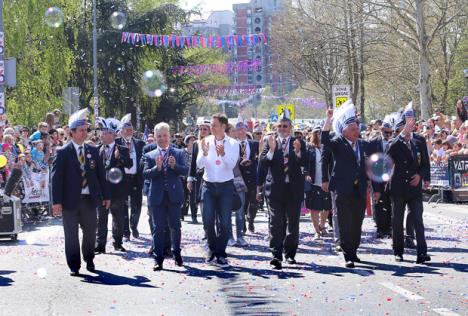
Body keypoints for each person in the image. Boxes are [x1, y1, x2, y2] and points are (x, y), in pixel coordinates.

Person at [51, 109, 109, 276]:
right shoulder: (63, 152)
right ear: (72, 132)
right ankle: (74, 264)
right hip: (69, 201)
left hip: (89, 199)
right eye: (82, 130)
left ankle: (89, 258)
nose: (85, 133)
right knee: (71, 234)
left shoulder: (93, 151)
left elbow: (101, 176)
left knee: (90, 231)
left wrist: (105, 196)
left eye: (86, 130)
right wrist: (56, 202)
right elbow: (56, 179)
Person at [321, 102, 376, 268]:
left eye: (357, 128)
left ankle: (354, 250)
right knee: (344, 222)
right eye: (352, 129)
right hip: (342, 189)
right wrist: (328, 120)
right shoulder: (338, 142)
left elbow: (370, 167)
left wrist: (373, 188)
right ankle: (348, 254)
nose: (356, 131)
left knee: (357, 222)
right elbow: (324, 139)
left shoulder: (364, 144)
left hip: (359, 190)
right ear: (344, 130)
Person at [259, 113, 306, 270]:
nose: (282, 129)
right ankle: (276, 255)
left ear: (290, 128)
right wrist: (271, 150)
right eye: (279, 126)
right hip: (275, 190)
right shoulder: (270, 142)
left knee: (292, 224)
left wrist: (298, 152)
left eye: (285, 126)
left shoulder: (298, 142)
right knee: (276, 223)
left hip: (293, 189)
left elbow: (306, 162)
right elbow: (263, 162)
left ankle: (290, 254)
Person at [386, 110, 431, 264]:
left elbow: (425, 163)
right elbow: (388, 153)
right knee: (397, 220)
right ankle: (398, 251)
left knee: (417, 219)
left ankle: (422, 252)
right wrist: (401, 135)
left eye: (410, 124)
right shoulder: (395, 142)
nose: (408, 128)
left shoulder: (419, 140)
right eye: (404, 126)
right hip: (398, 187)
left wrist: (421, 176)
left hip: (414, 188)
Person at [196, 114, 239, 267]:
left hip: (226, 186)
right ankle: (212, 249)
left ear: (223, 126)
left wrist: (223, 154)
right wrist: (205, 153)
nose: (211, 128)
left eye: (214, 125)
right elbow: (199, 165)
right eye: (211, 125)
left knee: (225, 223)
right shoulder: (205, 141)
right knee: (207, 221)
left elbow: (231, 166)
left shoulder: (233, 143)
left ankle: (221, 253)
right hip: (208, 185)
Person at [143, 122, 187, 271]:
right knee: (158, 228)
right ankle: (158, 258)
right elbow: (145, 174)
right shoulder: (149, 155)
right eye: (159, 136)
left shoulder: (179, 153)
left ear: (170, 136)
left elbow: (186, 171)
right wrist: (157, 168)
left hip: (174, 195)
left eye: (165, 135)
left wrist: (175, 166)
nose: (162, 138)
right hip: (157, 196)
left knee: (175, 226)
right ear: (155, 137)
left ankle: (177, 254)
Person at [95, 117, 133, 254]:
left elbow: (130, 164)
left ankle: (117, 242)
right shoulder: (97, 149)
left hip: (117, 190)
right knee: (101, 217)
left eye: (105, 133)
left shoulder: (122, 148)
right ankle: (100, 244)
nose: (102, 135)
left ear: (112, 135)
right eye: (102, 133)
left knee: (118, 217)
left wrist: (120, 158)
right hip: (102, 191)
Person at [117, 114, 146, 240]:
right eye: (127, 129)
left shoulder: (140, 144)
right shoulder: (117, 143)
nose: (129, 132)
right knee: (123, 205)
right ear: (121, 131)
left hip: (136, 178)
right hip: (122, 179)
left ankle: (133, 225)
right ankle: (125, 231)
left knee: (137, 205)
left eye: (131, 129)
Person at [368, 119, 394, 238]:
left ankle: (388, 228)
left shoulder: (394, 142)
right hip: (377, 177)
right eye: (386, 133)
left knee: (389, 203)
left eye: (390, 133)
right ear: (381, 130)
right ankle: (380, 228)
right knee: (378, 202)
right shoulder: (373, 143)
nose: (388, 135)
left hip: (391, 178)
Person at [305, 126, 331, 240]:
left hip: (327, 181)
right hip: (314, 181)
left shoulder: (328, 147)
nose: (320, 135)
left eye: (321, 133)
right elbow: (305, 163)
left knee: (326, 206)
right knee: (314, 207)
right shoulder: (309, 148)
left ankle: (322, 225)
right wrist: (306, 174)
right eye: (317, 133)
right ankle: (317, 231)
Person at [187, 120, 211, 224]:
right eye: (200, 129)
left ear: (210, 130)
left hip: (211, 175)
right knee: (198, 199)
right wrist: (190, 178)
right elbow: (193, 162)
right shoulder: (196, 143)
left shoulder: (214, 142)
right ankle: (199, 220)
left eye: (205, 129)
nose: (202, 131)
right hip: (199, 175)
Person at [237, 121, 260, 233]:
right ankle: (243, 226)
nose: (241, 131)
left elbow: (260, 159)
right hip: (240, 177)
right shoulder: (233, 144)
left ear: (246, 130)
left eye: (243, 129)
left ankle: (251, 220)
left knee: (253, 202)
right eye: (238, 129)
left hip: (253, 177)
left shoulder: (254, 144)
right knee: (242, 203)